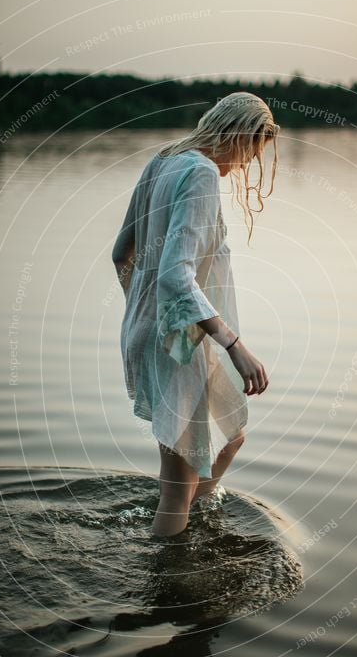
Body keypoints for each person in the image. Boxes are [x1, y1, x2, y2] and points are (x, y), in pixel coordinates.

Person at [112, 92, 280, 537]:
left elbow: (120, 253)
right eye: (252, 151)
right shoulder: (201, 172)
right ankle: (169, 588)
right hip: (180, 341)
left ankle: (200, 523)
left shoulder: (163, 160)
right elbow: (176, 276)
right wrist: (235, 345)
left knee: (230, 435)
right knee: (177, 481)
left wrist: (143, 314)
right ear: (240, 135)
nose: (246, 165)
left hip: (163, 333)